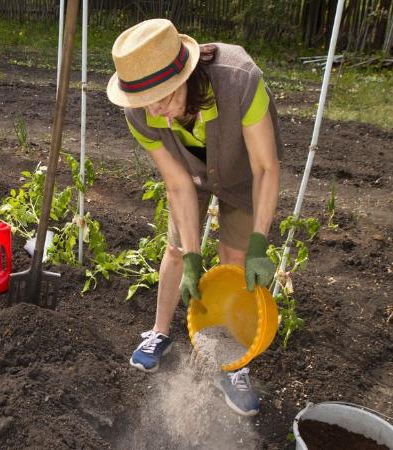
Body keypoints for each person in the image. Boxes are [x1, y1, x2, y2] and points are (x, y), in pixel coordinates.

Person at [106, 19, 281, 417]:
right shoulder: (141, 111)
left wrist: (259, 242)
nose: (156, 112)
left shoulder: (240, 81)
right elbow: (178, 185)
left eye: (162, 99)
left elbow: (266, 168)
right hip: (191, 171)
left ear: (186, 75)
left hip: (243, 172)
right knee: (175, 249)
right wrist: (190, 256)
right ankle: (160, 332)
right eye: (145, 101)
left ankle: (231, 363)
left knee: (235, 262)